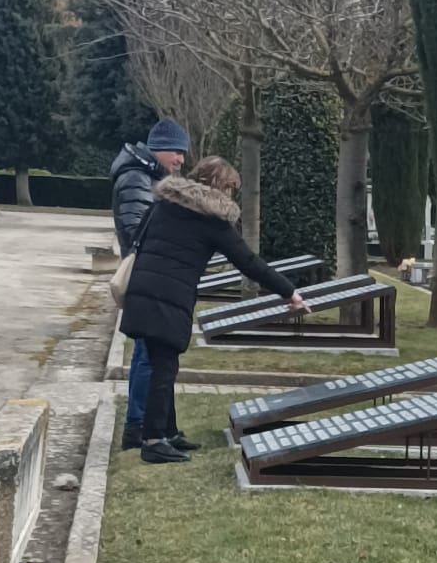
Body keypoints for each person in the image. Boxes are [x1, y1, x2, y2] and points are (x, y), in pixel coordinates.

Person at [119, 155, 308, 465]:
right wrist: (289, 291)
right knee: (163, 369)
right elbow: (248, 262)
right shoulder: (212, 219)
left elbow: (138, 237)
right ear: (220, 187)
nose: (230, 195)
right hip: (169, 295)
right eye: (230, 188)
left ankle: (167, 431)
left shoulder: (165, 204)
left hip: (143, 290)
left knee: (161, 362)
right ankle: (153, 441)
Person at [112, 120, 191, 451]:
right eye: (177, 151)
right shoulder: (135, 178)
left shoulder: (147, 176)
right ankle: (139, 425)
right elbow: (136, 230)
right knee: (148, 355)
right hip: (147, 276)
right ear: (158, 148)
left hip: (152, 275)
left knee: (151, 355)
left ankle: (151, 425)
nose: (181, 160)